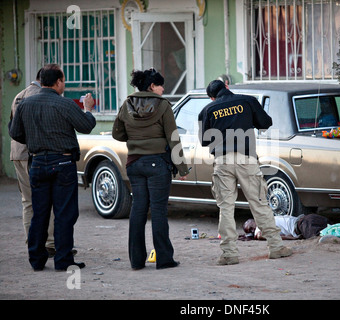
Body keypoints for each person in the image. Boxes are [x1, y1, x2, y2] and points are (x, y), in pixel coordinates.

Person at [9, 64, 96, 271]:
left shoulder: (25, 104)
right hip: (63, 164)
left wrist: (34, 141)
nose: (63, 84)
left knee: (39, 212)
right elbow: (86, 126)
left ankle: (36, 260)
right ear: (58, 82)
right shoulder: (64, 104)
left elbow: (15, 133)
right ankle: (63, 260)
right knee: (64, 213)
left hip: (37, 163)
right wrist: (88, 109)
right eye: (63, 81)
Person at [198, 79, 292, 265]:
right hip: (246, 159)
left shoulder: (207, 110)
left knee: (226, 208)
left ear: (211, 97)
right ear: (227, 87)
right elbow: (265, 123)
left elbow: (204, 141)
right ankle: (276, 247)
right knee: (259, 203)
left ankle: (229, 254)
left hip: (222, 162)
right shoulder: (247, 101)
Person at [112, 68, 189, 270]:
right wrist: (182, 167)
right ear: (152, 86)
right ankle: (164, 259)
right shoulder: (163, 106)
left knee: (138, 209)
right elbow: (173, 138)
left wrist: (136, 137)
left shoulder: (126, 105)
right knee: (158, 211)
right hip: (158, 164)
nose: (163, 89)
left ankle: (136, 261)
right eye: (161, 85)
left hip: (134, 163)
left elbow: (117, 134)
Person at [10, 68, 56, 255]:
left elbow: (12, 127)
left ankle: (33, 244)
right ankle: (50, 244)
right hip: (35, 154)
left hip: (17, 153)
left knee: (27, 201)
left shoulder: (18, 96)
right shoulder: (42, 96)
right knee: (49, 199)